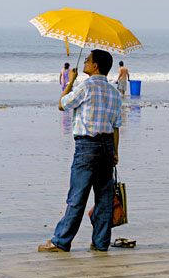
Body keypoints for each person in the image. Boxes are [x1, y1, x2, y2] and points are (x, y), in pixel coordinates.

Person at [38, 50, 123, 252]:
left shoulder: (85, 87)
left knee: (77, 196)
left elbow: (62, 104)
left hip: (87, 146)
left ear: (95, 66)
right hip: (107, 146)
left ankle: (61, 241)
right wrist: (115, 152)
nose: (84, 62)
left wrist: (70, 81)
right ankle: (101, 243)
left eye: (87, 60)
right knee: (103, 197)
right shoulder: (114, 91)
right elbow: (116, 126)